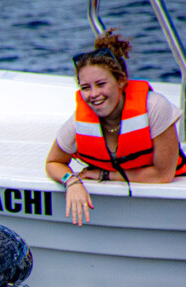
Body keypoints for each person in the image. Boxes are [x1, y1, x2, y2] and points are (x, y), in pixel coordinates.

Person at [44, 28, 186, 226]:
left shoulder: (155, 108)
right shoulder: (78, 122)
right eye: (86, 88)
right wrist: (71, 182)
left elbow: (163, 174)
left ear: (121, 81)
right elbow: (53, 162)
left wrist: (105, 175)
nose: (93, 94)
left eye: (101, 84)